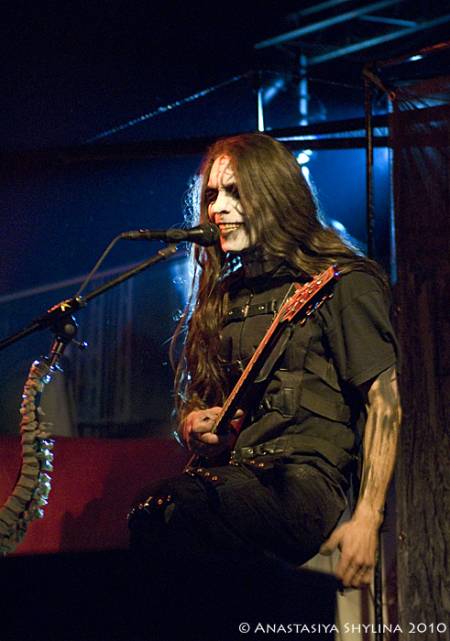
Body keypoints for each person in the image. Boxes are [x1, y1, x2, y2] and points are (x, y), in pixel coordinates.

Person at [128, 133, 401, 635]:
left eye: (235, 192)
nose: (218, 208)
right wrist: (194, 425)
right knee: (156, 524)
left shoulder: (341, 282)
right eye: (212, 195)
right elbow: (204, 402)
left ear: (274, 194)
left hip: (306, 483)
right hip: (237, 479)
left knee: (170, 511)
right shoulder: (224, 296)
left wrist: (368, 518)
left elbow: (384, 402)